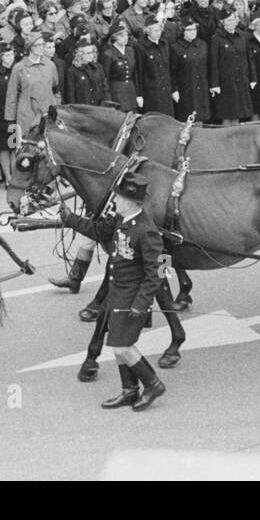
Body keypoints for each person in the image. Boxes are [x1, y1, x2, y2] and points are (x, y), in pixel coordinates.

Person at [59, 168, 167, 411]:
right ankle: (129, 390)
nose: (114, 201)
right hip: (116, 292)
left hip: (132, 297)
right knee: (117, 344)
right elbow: (97, 231)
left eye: (117, 197)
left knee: (122, 346)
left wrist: (142, 303)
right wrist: (69, 219)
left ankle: (153, 384)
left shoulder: (146, 231)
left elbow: (158, 272)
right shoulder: (121, 219)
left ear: (129, 201)